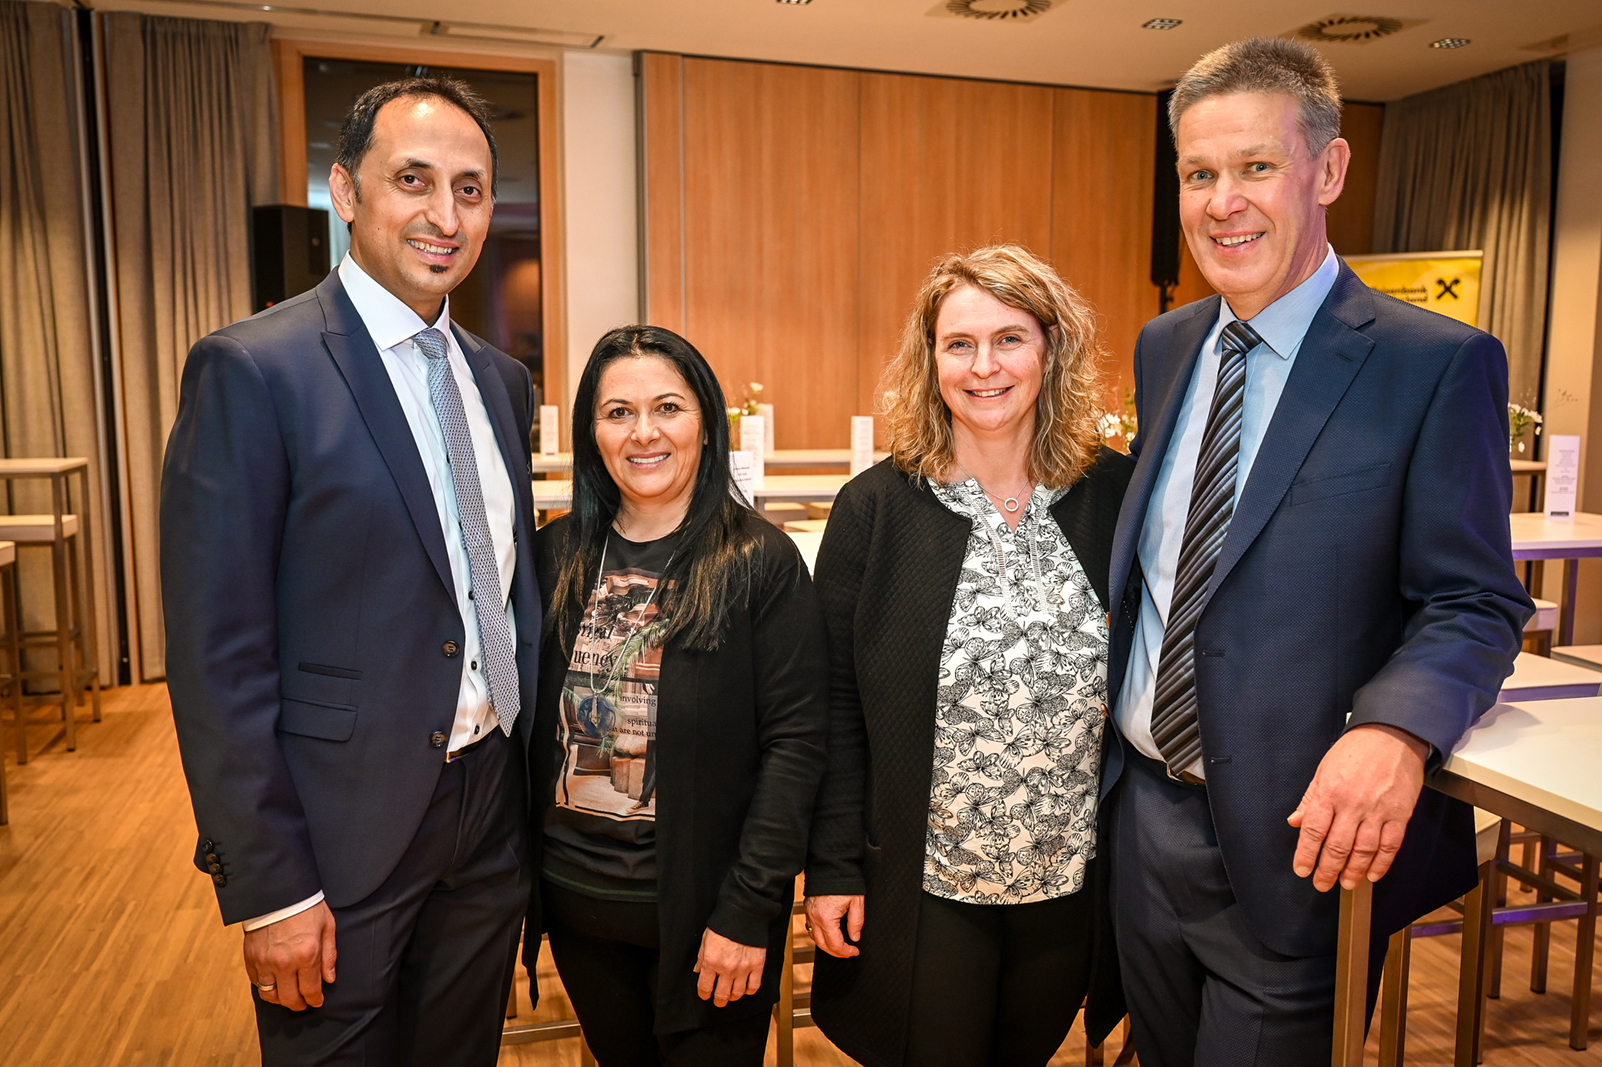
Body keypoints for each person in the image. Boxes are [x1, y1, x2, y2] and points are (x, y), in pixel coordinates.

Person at [1104, 37, 1533, 1066]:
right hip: (1141, 821)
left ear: (1328, 169)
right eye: (1198, 174)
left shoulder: (1434, 364)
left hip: (1298, 841)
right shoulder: (1166, 346)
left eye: (1257, 166)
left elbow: (1474, 601)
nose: (1223, 203)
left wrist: (1396, 729)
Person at [162, 76, 539, 1065]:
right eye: (414, 179)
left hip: (490, 812)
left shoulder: (501, 382)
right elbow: (217, 655)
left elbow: (497, 591)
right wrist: (272, 886)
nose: (445, 214)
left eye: (469, 189)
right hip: (340, 832)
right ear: (346, 190)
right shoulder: (255, 369)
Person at [803, 245, 1132, 1067]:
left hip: (1065, 877)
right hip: (926, 882)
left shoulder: (1113, 495)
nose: (984, 366)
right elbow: (833, 707)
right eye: (960, 344)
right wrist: (832, 866)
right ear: (930, 359)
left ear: (1051, 349)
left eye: (1009, 339)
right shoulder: (874, 510)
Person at [528, 325, 829, 1067]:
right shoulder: (555, 555)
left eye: (667, 407)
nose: (644, 432)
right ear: (592, 432)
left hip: (709, 917)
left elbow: (795, 747)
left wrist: (748, 909)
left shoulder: (759, 560)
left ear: (706, 422)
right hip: (580, 910)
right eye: (618, 412)